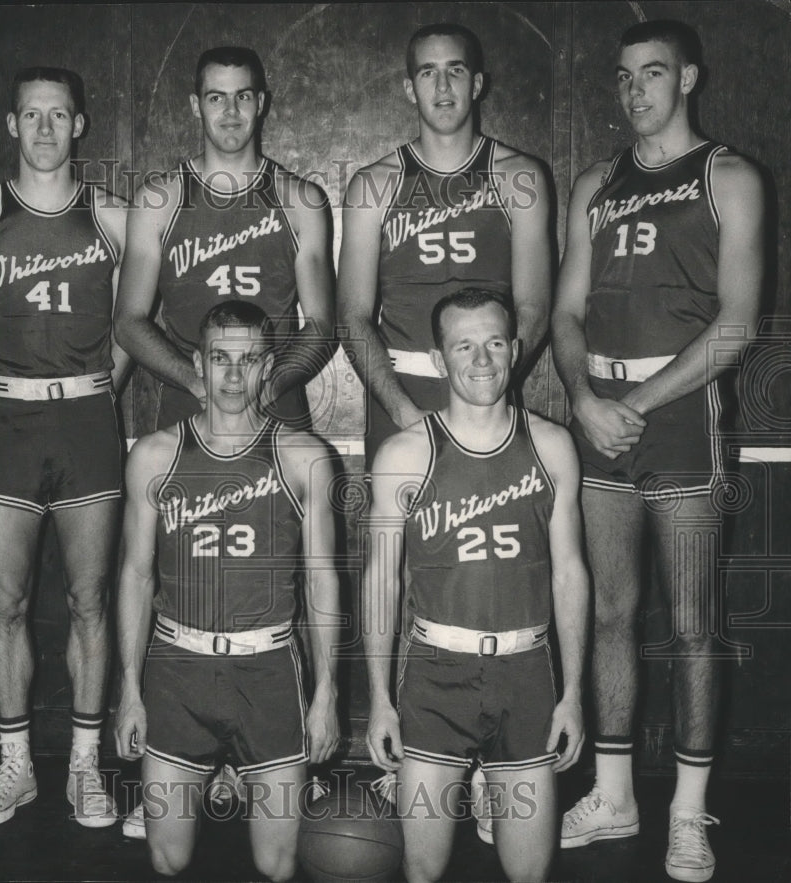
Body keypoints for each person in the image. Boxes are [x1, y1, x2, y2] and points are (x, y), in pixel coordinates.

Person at [551, 20, 764, 883]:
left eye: (652, 73)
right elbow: (566, 309)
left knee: (690, 627)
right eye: (624, 75)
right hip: (598, 415)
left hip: (676, 419)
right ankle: (612, 795)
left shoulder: (730, 177)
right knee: (606, 613)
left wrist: (630, 403)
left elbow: (740, 324)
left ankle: (686, 810)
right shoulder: (595, 183)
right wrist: (581, 398)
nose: (635, 89)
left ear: (689, 79)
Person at [0, 67, 128, 827]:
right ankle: (14, 765)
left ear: (79, 125)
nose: (47, 129)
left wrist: (91, 397)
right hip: (8, 427)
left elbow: (128, 332)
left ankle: (84, 769)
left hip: (87, 418)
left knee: (91, 600)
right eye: (33, 116)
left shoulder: (114, 219)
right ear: (12, 126)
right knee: (6, 600)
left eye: (60, 116)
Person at [364, 290, 587, 882]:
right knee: (424, 868)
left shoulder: (553, 446)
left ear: (514, 351)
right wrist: (380, 701)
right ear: (440, 360)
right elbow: (381, 582)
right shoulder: (403, 456)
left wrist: (573, 694)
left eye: (494, 343)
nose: (482, 359)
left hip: (526, 673)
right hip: (436, 676)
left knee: (528, 872)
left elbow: (570, 575)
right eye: (464, 345)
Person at [114, 300, 339, 881]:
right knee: (167, 858)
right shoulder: (154, 456)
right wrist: (130, 691)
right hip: (177, 667)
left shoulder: (304, 458)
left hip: (267, 670)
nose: (234, 376)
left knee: (277, 864)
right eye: (220, 359)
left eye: (249, 360)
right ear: (199, 363)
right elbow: (136, 575)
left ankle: (237, 774)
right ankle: (215, 774)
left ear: (269, 368)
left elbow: (321, 581)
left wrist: (327, 694)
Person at [337, 22, 552, 469]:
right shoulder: (373, 184)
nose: (442, 85)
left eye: (455, 70)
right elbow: (352, 314)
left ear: (476, 84)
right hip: (402, 389)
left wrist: (489, 384)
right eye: (427, 72)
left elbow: (535, 305)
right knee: (398, 536)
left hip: (488, 386)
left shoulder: (519, 177)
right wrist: (401, 411)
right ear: (409, 88)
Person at [113, 45, 333, 432]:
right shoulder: (158, 202)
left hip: (276, 402)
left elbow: (321, 324)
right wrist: (199, 385)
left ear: (260, 102)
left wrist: (264, 390)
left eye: (242, 96)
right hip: (189, 402)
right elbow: (128, 322)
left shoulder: (300, 200)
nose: (230, 112)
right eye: (216, 98)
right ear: (196, 106)